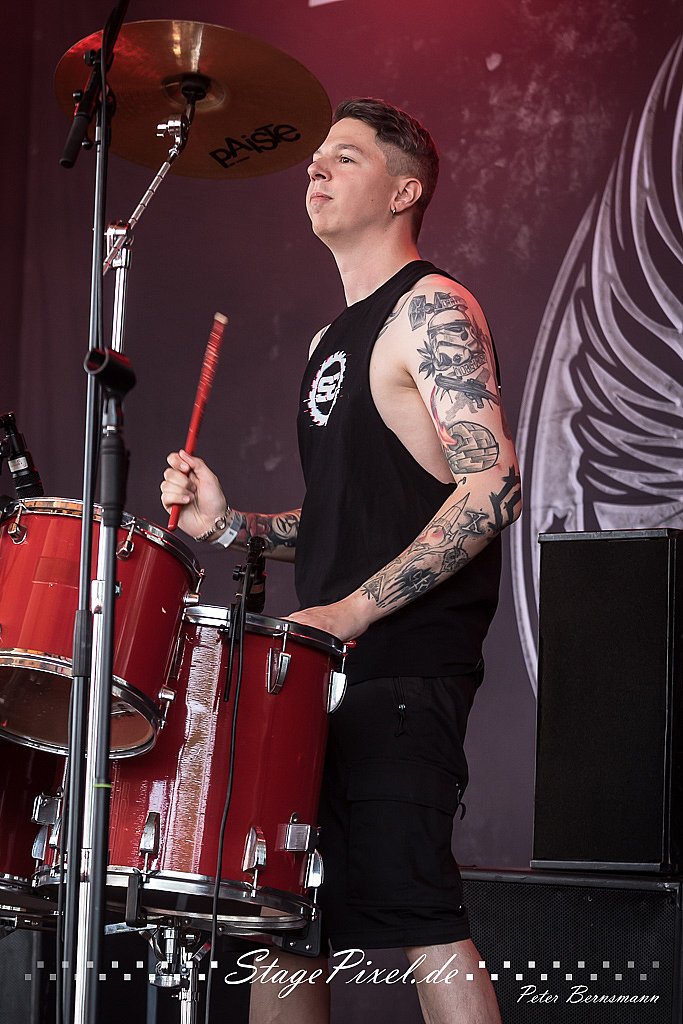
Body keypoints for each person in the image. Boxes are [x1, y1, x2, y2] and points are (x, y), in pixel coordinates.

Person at [161, 97, 520, 1024]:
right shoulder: (332, 339)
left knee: (420, 914)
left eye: (345, 157)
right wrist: (229, 524)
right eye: (316, 155)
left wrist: (353, 612)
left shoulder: (430, 308)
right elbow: (340, 521)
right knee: (282, 925)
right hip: (315, 675)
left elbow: (492, 487)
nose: (314, 168)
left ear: (403, 191)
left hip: (398, 670)